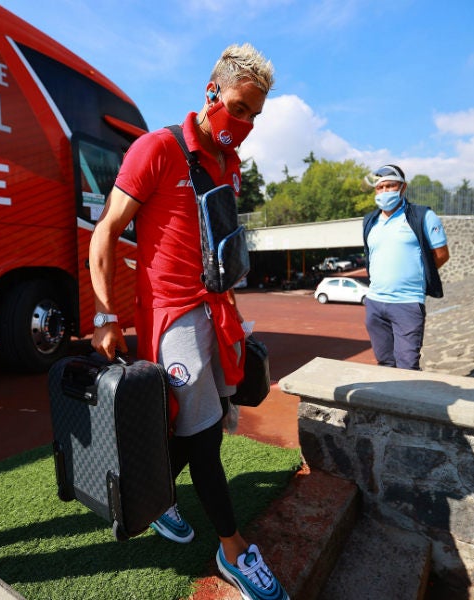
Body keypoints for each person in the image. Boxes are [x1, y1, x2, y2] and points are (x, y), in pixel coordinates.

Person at [89, 43, 289, 600]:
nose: (245, 122)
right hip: (173, 316)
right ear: (211, 91)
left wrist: (234, 312)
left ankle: (151, 497)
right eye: (240, 107)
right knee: (202, 439)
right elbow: (104, 232)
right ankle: (233, 550)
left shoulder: (230, 163)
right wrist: (106, 316)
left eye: (254, 115)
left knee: (206, 418)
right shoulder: (155, 148)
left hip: (218, 310)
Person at [361, 164, 450, 370]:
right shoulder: (370, 221)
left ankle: (407, 400)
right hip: (375, 302)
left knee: (407, 365)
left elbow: (441, 255)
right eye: (380, 188)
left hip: (407, 302)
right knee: (385, 362)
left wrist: (415, 274)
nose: (384, 191)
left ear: (403, 187)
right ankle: (386, 402)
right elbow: (371, 257)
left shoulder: (423, 216)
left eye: (390, 186)